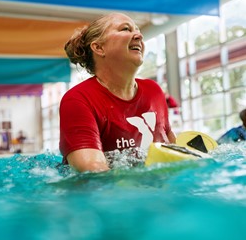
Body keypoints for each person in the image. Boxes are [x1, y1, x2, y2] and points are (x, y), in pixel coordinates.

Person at [59, 12, 176, 172]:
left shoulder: (153, 91)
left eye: (137, 29)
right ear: (99, 48)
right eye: (125, 29)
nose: (139, 35)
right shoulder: (78, 100)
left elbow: (172, 150)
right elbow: (93, 172)